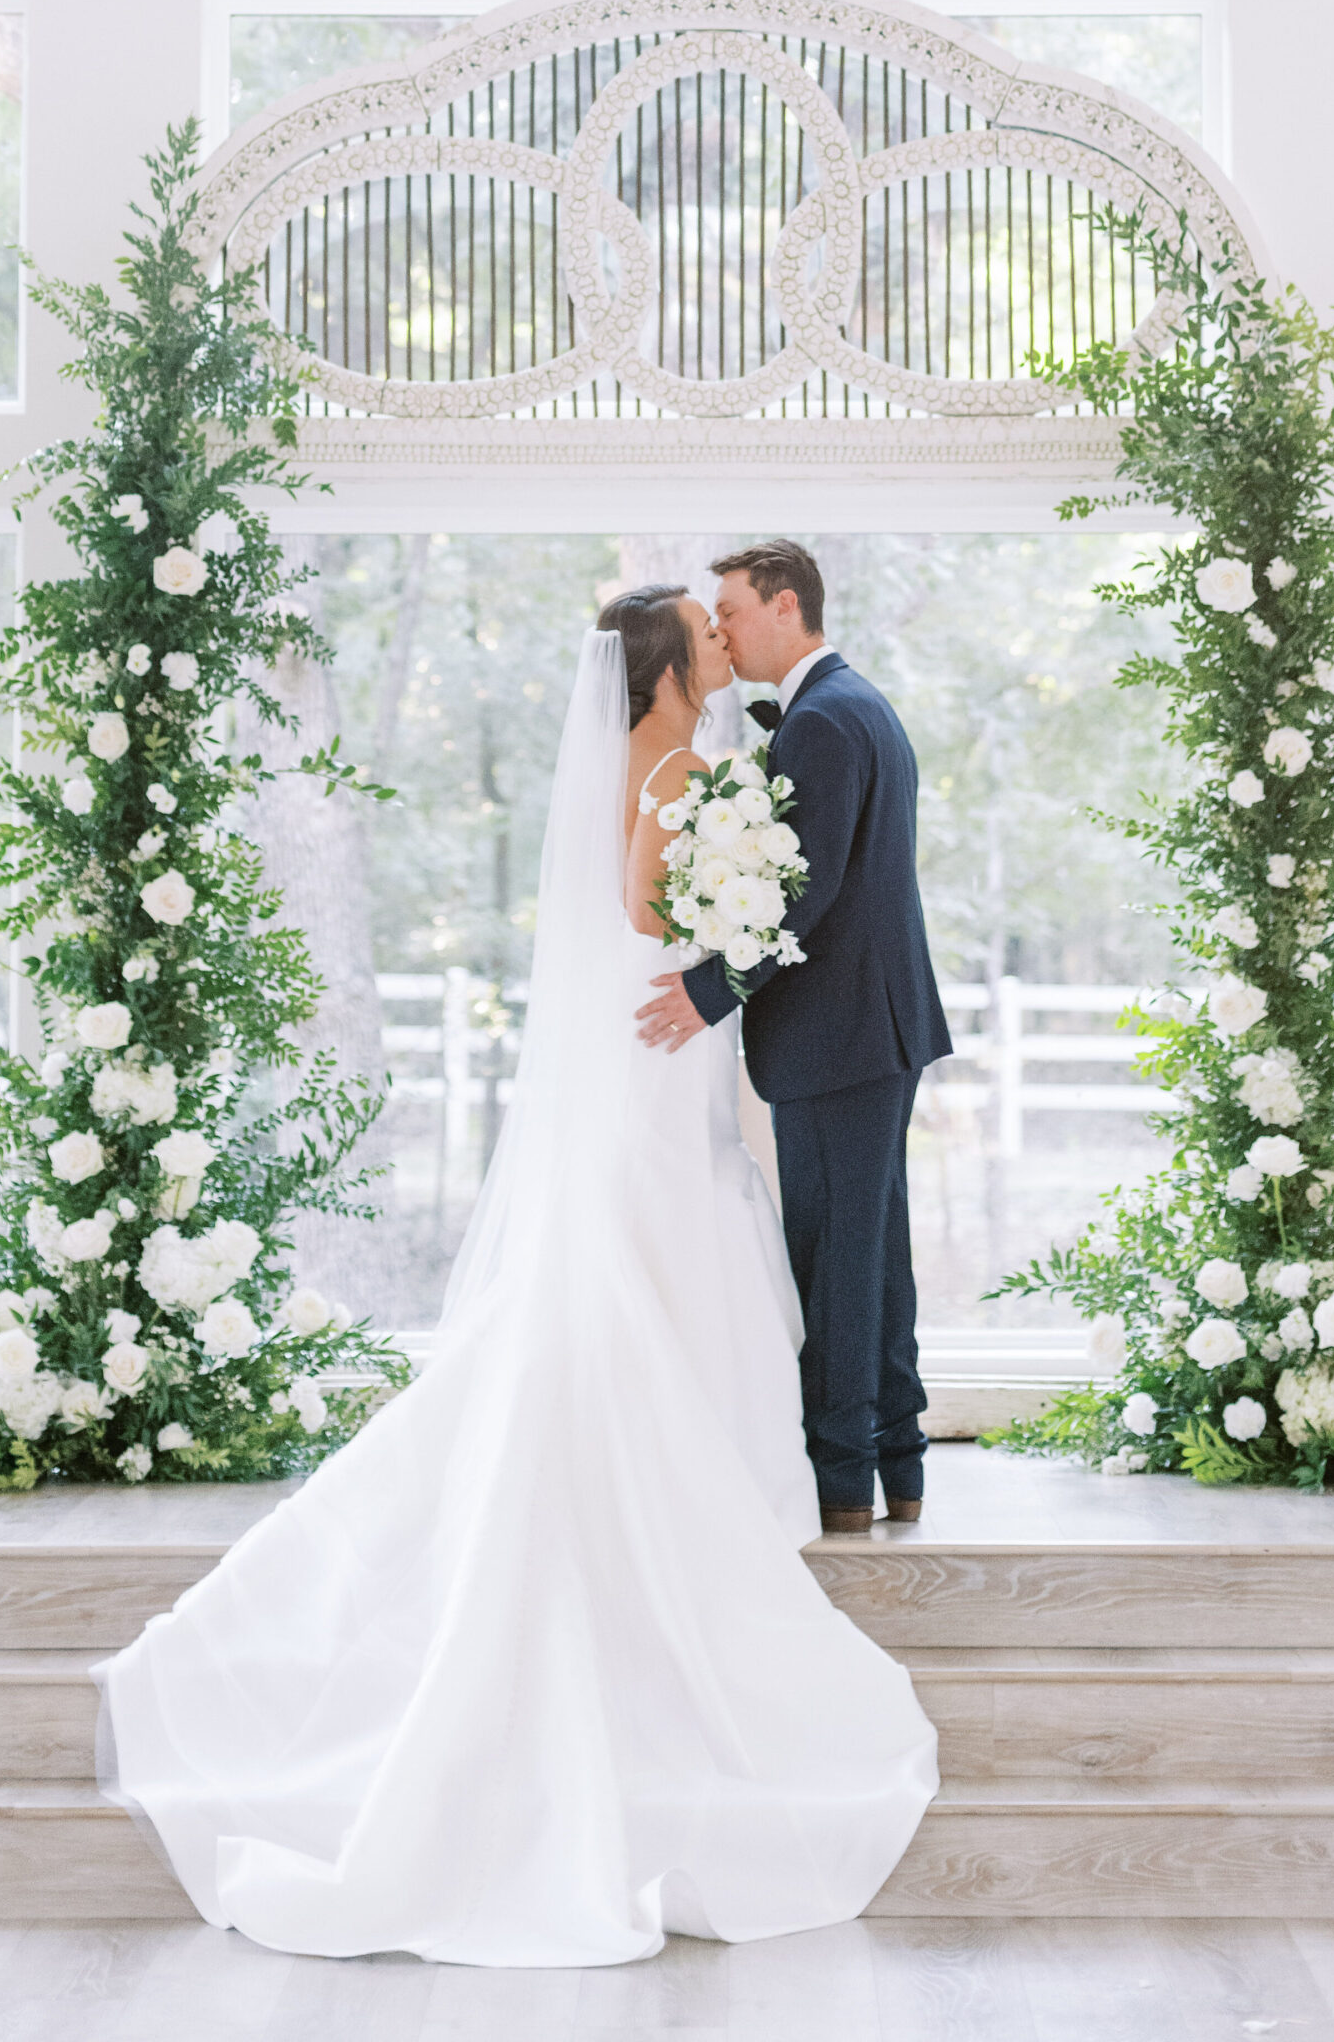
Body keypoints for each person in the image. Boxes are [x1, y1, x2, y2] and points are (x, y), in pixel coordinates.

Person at [93, 586, 936, 1966]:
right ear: (665, 669)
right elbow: (656, 904)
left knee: (682, 1257)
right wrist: (731, 912)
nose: (723, 638)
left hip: (662, 1060)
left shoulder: (685, 761)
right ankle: (701, 1479)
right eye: (703, 630)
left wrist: (737, 902)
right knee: (660, 1264)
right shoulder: (676, 772)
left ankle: (725, 1461)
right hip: (661, 1056)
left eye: (730, 619)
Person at [635, 542, 952, 1536]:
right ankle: (894, 1462)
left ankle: (842, 1481)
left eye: (729, 610)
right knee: (873, 1252)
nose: (720, 629)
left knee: (838, 1258)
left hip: (840, 1038)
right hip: (871, 1030)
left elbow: (800, 892)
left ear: (784, 606)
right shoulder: (852, 704)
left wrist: (709, 990)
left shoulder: (822, 721)